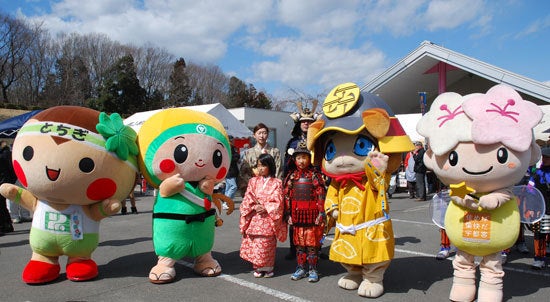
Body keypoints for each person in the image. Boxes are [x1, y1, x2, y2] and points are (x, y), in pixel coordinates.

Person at [283, 141, 326, 282]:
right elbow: (287, 196)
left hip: (312, 215)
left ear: (309, 159)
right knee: (300, 245)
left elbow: (320, 194)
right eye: (298, 158)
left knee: (312, 245)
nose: (301, 161)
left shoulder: (314, 175)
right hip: (296, 215)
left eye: (304, 157)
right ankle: (301, 267)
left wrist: (321, 213)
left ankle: (313, 269)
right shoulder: (292, 176)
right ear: (294, 160)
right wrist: (287, 214)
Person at [239, 154, 287, 277]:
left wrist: (265, 207)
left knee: (267, 243)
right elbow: (248, 197)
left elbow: (279, 200)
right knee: (256, 243)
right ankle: (258, 267)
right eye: (258, 165)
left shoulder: (277, 182)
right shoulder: (253, 181)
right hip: (255, 216)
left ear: (270, 166)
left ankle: (268, 267)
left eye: (263, 165)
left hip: (268, 218)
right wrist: (255, 206)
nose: (260, 168)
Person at [283, 102, 319, 260]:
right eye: (304, 121)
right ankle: (294, 249)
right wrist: (287, 182)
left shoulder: (319, 140)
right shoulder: (292, 142)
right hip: (296, 182)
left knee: (316, 216)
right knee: (295, 215)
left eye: (309, 121)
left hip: (314, 180)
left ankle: (316, 249)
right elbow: (286, 164)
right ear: (299, 124)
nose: (306, 123)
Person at [238, 123, 282, 195]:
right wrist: (250, 186)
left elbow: (278, 170)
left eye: (264, 133)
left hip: (271, 188)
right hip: (253, 188)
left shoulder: (274, 151)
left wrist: (274, 187)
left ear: (267, 135)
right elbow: (244, 172)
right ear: (254, 135)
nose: (262, 136)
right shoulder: (249, 152)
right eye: (259, 133)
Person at [528, 147, 550, 269]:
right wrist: (530, 206)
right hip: (540, 208)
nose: (545, 159)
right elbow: (530, 190)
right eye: (544, 157)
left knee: (546, 231)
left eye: (548, 157)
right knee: (539, 233)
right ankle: (539, 258)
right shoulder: (536, 173)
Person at [0, 140, 17, 235]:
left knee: (2, 205)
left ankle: (4, 225)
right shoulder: (6, 154)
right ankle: (7, 224)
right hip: (5, 181)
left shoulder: (3, 156)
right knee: (3, 205)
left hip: (3, 181)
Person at [223, 135, 240, 210]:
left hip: (231, 171)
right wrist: (236, 157)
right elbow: (230, 158)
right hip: (229, 171)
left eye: (233, 140)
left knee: (228, 188)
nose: (233, 142)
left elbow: (236, 156)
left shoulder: (232, 148)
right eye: (231, 140)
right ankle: (226, 202)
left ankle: (226, 203)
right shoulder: (227, 148)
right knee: (234, 186)